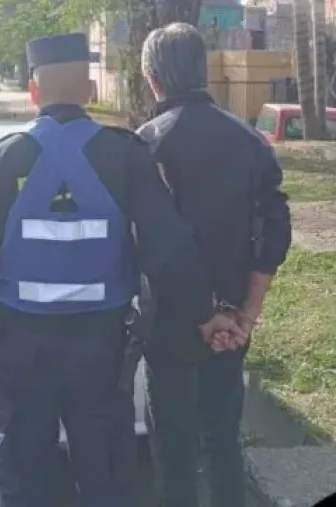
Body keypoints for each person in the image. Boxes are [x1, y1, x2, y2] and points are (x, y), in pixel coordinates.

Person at [0, 32, 246, 507]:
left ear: (33, 91)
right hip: (101, 352)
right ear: (89, 90)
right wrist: (205, 314)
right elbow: (168, 248)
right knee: (105, 478)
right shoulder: (125, 155)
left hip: (18, 351)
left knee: (24, 480)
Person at [136, 23, 293, 507]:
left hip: (169, 320)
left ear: (153, 79)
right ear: (203, 71)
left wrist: (205, 315)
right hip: (233, 319)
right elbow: (276, 229)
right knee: (223, 439)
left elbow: (156, 243)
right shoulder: (249, 140)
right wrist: (247, 313)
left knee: (173, 447)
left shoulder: (147, 145)